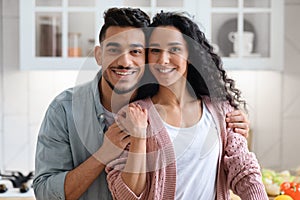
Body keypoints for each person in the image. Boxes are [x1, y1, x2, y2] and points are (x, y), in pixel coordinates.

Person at [33, 7, 251, 200]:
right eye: (113, 50)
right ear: (98, 55)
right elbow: (45, 192)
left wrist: (232, 127)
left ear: (146, 57)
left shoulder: (160, 107)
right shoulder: (65, 108)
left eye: (136, 51)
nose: (125, 61)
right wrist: (104, 154)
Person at [105, 11, 268, 199]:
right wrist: (139, 138)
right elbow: (126, 194)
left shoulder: (221, 111)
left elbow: (244, 171)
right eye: (155, 50)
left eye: (174, 49)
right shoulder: (133, 115)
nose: (163, 60)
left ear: (190, 54)